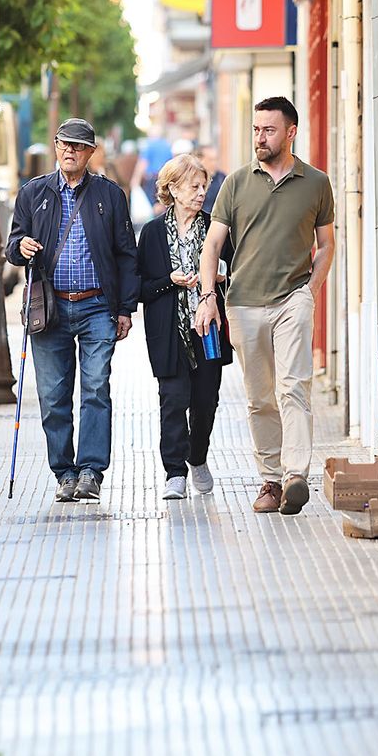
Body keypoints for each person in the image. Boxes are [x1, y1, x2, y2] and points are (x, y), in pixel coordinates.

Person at [194, 97, 336, 516]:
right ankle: (269, 480)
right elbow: (212, 246)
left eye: (268, 130)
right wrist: (207, 298)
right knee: (260, 398)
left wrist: (310, 289)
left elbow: (326, 244)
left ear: (291, 132)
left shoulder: (316, 183)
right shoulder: (236, 183)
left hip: (293, 297)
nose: (260, 137)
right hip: (243, 303)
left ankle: (295, 476)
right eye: (256, 129)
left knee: (294, 386)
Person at [6, 118, 138, 503]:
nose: (70, 151)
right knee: (52, 394)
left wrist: (126, 308)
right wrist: (22, 247)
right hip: (50, 308)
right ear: (55, 145)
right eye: (64, 144)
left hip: (98, 305)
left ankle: (91, 471)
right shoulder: (33, 193)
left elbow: (126, 255)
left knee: (96, 388)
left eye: (78, 146)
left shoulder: (110, 196)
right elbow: (12, 243)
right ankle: (64, 472)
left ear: (91, 153)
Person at [137, 154, 232, 500]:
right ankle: (174, 472)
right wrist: (170, 281)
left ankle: (198, 457)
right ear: (173, 189)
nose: (201, 192)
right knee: (173, 401)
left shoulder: (216, 228)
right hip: (169, 333)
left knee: (206, 401)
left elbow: (234, 272)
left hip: (208, 330)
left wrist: (221, 277)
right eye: (194, 186)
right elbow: (141, 288)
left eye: (204, 186)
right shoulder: (151, 234)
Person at [199, 144, 228, 214]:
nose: (214, 163)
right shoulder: (195, 179)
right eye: (211, 160)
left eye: (216, 159)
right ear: (201, 160)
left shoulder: (223, 179)